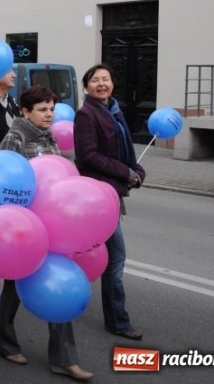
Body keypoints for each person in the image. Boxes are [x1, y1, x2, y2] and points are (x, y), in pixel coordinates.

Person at [0, 86, 92, 382]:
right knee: (12, 289)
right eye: (42, 109)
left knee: (56, 285)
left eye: (51, 108)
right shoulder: (16, 136)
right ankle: (3, 340)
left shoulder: (49, 139)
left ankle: (65, 358)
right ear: (25, 111)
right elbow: (3, 178)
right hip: (23, 227)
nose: (49, 114)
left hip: (51, 226)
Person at [73, 64, 145, 342]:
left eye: (106, 79)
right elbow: (88, 156)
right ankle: (118, 321)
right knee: (116, 258)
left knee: (113, 258)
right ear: (87, 86)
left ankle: (115, 317)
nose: (102, 84)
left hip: (112, 192)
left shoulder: (114, 109)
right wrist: (123, 172)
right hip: (98, 195)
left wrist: (136, 171)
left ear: (112, 83)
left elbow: (124, 149)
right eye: (95, 80)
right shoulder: (86, 114)